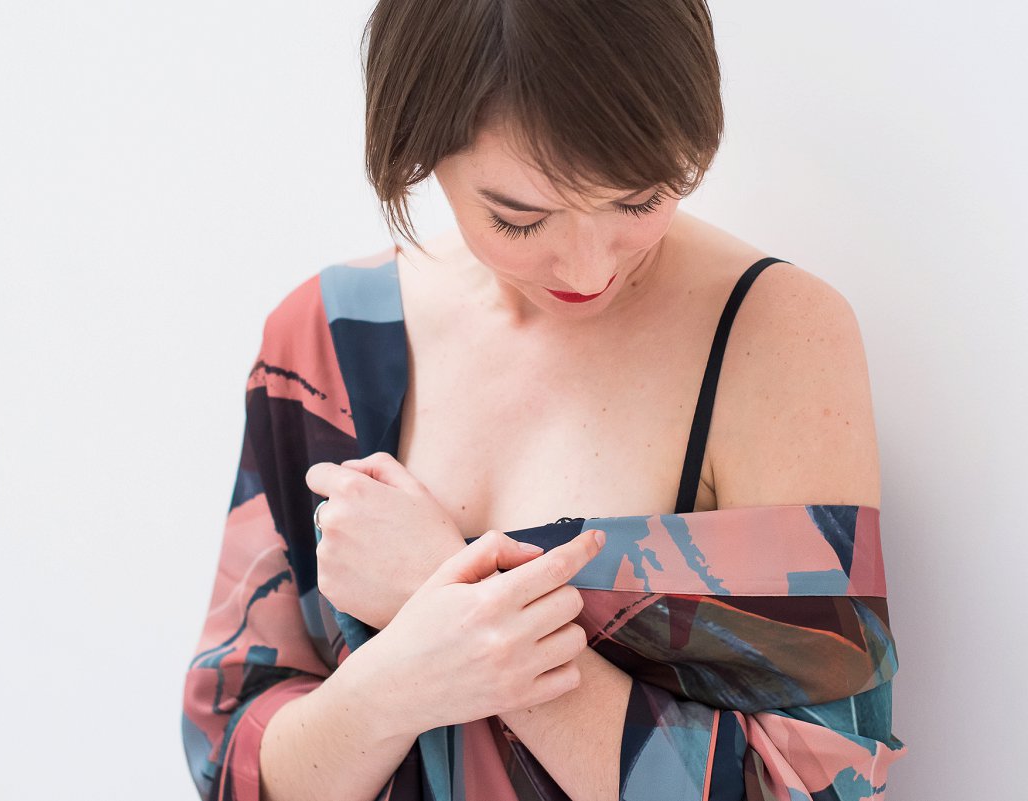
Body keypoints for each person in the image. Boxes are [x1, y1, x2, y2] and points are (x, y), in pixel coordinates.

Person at [181, 2, 906, 800]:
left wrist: (447, 594)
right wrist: (402, 678)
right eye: (519, 219)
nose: (589, 268)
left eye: (638, 200)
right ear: (420, 146)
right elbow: (232, 760)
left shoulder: (774, 338)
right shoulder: (324, 341)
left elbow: (824, 784)